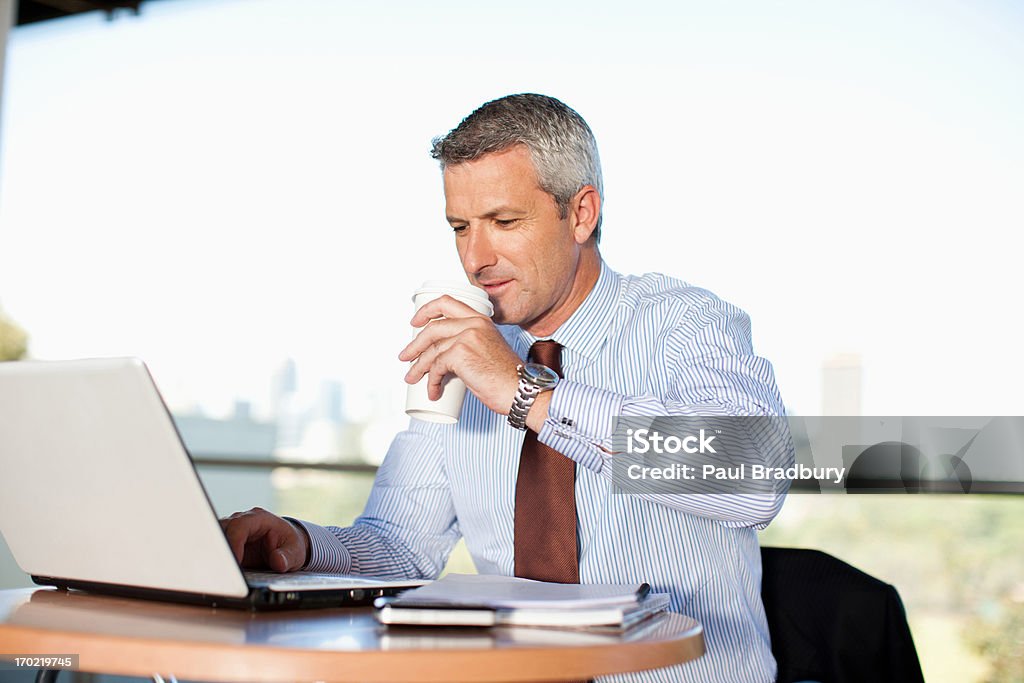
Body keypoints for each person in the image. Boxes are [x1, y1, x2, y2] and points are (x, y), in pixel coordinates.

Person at [221, 93, 793, 682]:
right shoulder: (468, 352)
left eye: (504, 222)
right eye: (460, 227)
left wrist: (528, 393)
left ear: (581, 214)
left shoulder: (686, 323)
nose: (476, 258)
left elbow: (755, 481)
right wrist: (299, 544)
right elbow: (399, 545)